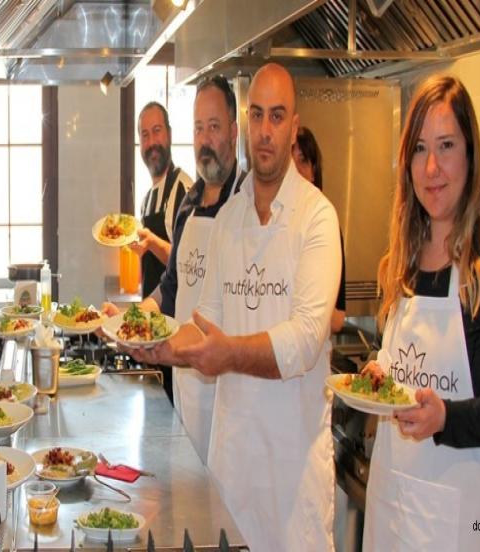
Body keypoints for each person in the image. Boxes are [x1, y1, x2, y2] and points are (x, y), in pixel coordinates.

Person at [127, 63, 340, 550]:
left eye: (277, 117)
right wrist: (155, 345)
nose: (265, 131)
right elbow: (206, 323)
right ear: (246, 122)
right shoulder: (228, 220)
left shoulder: (317, 218)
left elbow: (307, 339)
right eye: (257, 115)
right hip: (232, 472)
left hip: (291, 479)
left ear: (294, 128)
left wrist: (229, 354)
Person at [362, 75, 480, 551]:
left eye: (446, 146)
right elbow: (398, 363)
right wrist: (378, 374)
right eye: (420, 149)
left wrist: (446, 418)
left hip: (462, 522)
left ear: (470, 154)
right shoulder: (400, 262)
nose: (431, 167)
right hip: (392, 507)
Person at [102, 76, 244, 459]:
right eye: (199, 128)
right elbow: (171, 285)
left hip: (229, 397)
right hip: (184, 383)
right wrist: (131, 321)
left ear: (233, 132)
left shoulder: (246, 206)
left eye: (214, 127)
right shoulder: (188, 206)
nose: (205, 140)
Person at [131, 102, 194, 298]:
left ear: (170, 135)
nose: (151, 143)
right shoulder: (146, 200)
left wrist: (152, 242)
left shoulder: (184, 190)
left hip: (174, 314)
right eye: (145, 135)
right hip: (151, 312)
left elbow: (191, 265)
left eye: (157, 131)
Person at [292, 126, 346, 333]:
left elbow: (337, 319)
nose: (295, 170)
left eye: (303, 161)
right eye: (290, 162)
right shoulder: (267, 227)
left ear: (314, 172)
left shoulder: (326, 226)